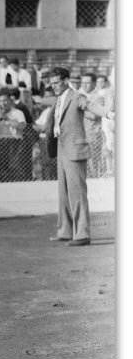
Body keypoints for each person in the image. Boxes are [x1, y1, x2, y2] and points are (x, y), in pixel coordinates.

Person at [46, 67, 110, 246]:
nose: (53, 86)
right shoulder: (58, 99)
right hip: (61, 148)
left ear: (66, 81)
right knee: (63, 193)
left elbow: (90, 105)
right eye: (51, 83)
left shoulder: (76, 96)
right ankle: (65, 231)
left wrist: (108, 113)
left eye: (56, 83)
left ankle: (82, 234)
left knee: (77, 193)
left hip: (74, 149)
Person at [0, 87, 26, 182]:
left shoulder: (18, 113)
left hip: (14, 144)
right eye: (0, 101)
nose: (2, 103)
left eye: (5, 100)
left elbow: (22, 126)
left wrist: (6, 119)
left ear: (10, 100)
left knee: (15, 173)